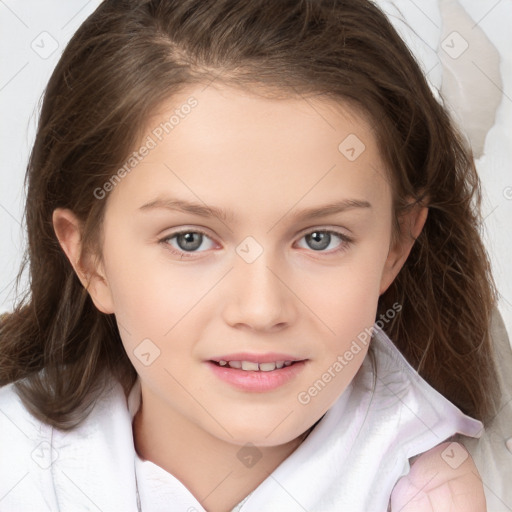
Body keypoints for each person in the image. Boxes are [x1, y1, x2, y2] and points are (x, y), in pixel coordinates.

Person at [0, 0, 503, 510]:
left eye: (319, 239)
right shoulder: (15, 463)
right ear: (90, 258)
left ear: (395, 246)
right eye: (189, 240)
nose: (261, 310)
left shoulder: (427, 490)